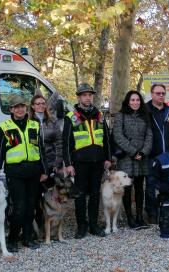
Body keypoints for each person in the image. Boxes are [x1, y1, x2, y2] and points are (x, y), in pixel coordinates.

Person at [0, 94, 48, 252]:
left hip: (33, 172)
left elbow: (40, 149)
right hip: (15, 174)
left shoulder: (34, 125)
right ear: (11, 109)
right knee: (19, 208)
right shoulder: (4, 127)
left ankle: (28, 238)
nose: (20, 109)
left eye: (22, 106)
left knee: (31, 207)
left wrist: (44, 170)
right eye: (16, 107)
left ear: (26, 107)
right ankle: (13, 239)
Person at [63, 83, 112, 238]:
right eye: (84, 95)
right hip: (80, 162)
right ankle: (81, 227)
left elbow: (107, 139)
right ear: (78, 97)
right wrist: (69, 164)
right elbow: (66, 143)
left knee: (95, 194)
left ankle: (93, 225)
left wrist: (108, 158)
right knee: (80, 195)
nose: (87, 97)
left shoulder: (100, 115)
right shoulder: (71, 117)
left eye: (90, 95)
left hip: (98, 161)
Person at [113, 90, 153, 229]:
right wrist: (133, 151)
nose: (135, 102)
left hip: (141, 156)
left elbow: (149, 136)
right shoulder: (120, 116)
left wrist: (143, 152)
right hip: (127, 157)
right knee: (127, 188)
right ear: (128, 102)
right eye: (132, 100)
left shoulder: (145, 116)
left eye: (137, 100)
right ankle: (130, 218)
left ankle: (140, 217)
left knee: (139, 187)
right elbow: (117, 135)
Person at [29, 94, 63, 233]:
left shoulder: (52, 121)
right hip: (34, 165)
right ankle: (35, 230)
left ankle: (48, 229)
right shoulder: (29, 121)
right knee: (35, 199)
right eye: (38, 103)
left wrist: (57, 162)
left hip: (50, 164)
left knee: (49, 198)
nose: (41, 106)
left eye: (43, 103)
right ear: (32, 106)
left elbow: (59, 142)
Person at [145, 84, 169, 221]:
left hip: (167, 155)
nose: (161, 95)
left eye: (163, 93)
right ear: (152, 94)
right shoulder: (145, 109)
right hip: (151, 154)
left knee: (166, 184)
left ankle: (164, 210)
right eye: (158, 93)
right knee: (151, 184)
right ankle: (151, 212)